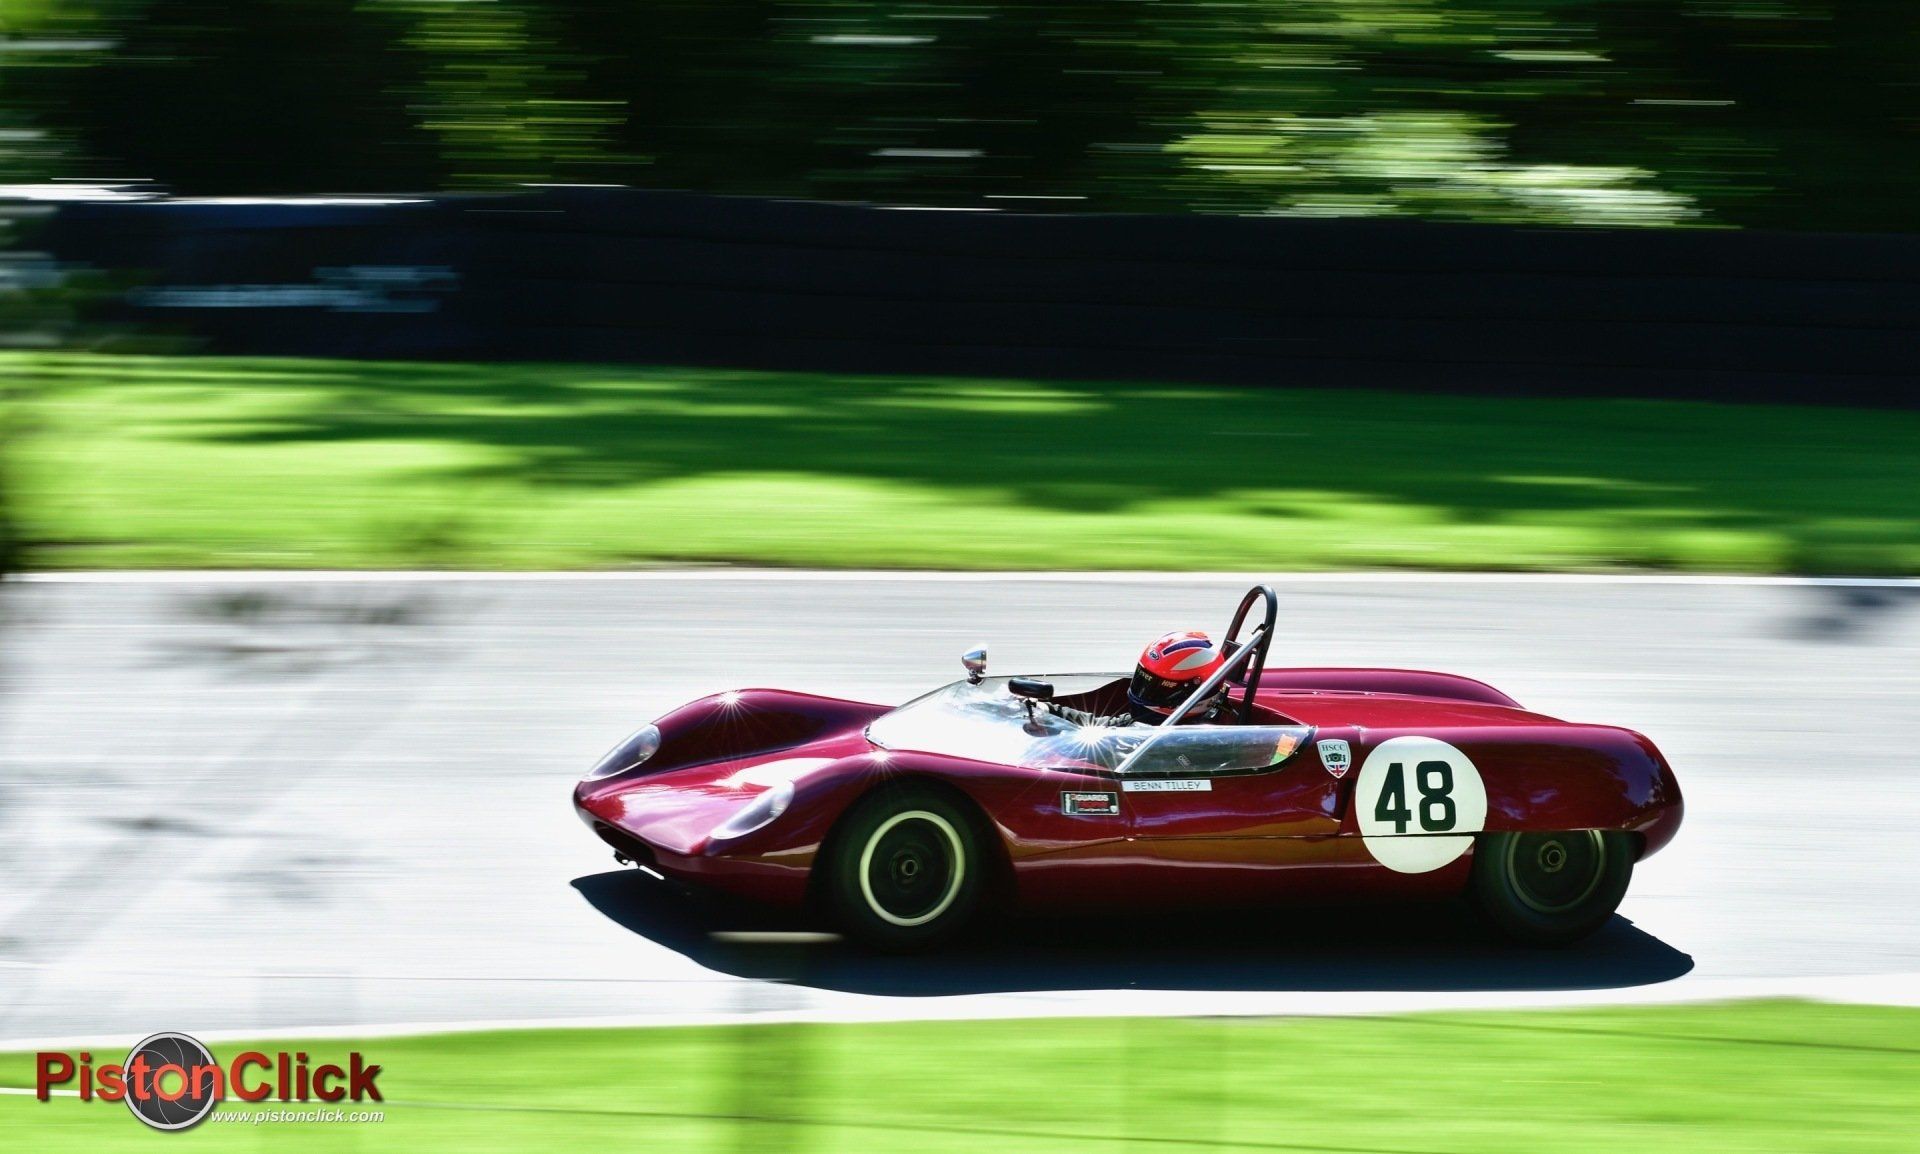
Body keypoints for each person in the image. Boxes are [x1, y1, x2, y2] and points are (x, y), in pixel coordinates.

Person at [1049, 630, 1230, 727]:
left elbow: (1104, 742)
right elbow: (1101, 726)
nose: (1144, 691)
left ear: (1192, 693)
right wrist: (1046, 709)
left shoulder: (1181, 742)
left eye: (1156, 687)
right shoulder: (1153, 724)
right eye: (1144, 680)